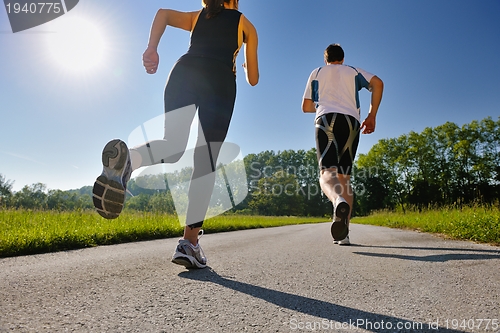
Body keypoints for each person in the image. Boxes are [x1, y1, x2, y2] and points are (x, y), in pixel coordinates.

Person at [92, 0, 259, 268]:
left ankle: (130, 160)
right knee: (206, 158)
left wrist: (152, 48)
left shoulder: (198, 16)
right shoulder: (245, 24)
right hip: (220, 80)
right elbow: (253, 78)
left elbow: (163, 14)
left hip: (183, 71)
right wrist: (244, 64)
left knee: (173, 145)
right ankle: (189, 243)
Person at [302, 44, 383, 245]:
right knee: (344, 178)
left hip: (326, 120)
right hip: (351, 122)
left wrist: (324, 104)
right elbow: (378, 83)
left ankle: (338, 201)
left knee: (327, 173)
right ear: (342, 58)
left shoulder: (318, 72)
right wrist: (372, 116)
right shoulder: (353, 71)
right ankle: (344, 234)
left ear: (325, 59)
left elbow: (306, 107)